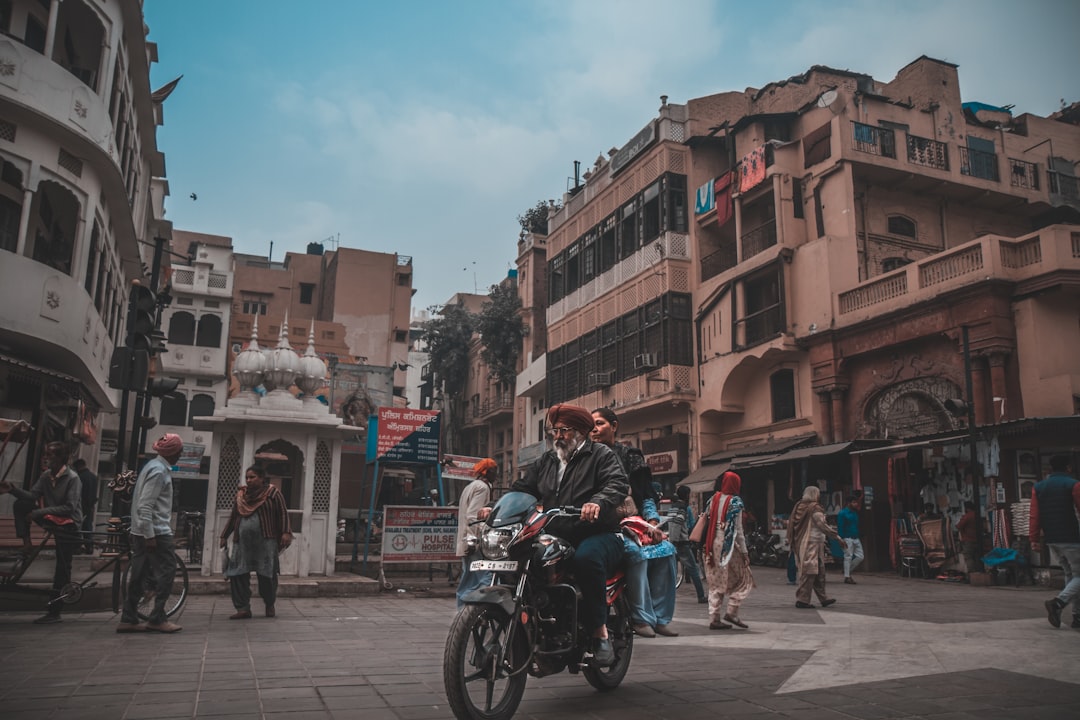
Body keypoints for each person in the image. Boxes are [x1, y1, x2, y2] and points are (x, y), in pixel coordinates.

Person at [509, 403, 628, 666]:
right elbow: (522, 489)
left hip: (599, 533)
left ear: (581, 432)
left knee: (585, 559)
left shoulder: (601, 455)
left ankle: (600, 634)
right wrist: (497, 507)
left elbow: (617, 483)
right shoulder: (547, 460)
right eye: (555, 431)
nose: (558, 436)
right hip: (556, 534)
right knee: (525, 557)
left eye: (565, 430)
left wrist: (597, 502)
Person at [591, 408, 678, 638]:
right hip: (606, 525)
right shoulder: (586, 457)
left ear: (614, 426)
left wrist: (652, 523)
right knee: (635, 553)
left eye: (599, 423)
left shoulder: (630, 456)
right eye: (591, 425)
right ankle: (641, 618)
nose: (595, 429)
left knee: (667, 551)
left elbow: (645, 496)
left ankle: (661, 617)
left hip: (635, 521)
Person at [0, 441, 82, 624]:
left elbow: (69, 507)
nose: (47, 458)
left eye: (51, 455)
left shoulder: (72, 478)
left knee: (63, 567)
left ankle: (55, 611)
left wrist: (38, 512)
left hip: (68, 524)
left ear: (62, 458)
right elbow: (31, 497)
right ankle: (26, 543)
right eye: (46, 454)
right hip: (51, 518)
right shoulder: (46, 476)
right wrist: (12, 489)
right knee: (20, 504)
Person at [117, 433, 184, 634]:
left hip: (142, 530)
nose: (181, 454)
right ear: (174, 453)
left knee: (139, 574)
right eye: (179, 450)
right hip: (155, 532)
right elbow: (146, 506)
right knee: (167, 571)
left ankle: (128, 617)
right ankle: (157, 617)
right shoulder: (158, 471)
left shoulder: (152, 467)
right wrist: (150, 536)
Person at [220, 464, 293, 619]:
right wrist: (223, 536)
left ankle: (269, 603)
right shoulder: (241, 495)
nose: (249, 480)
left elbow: (282, 513)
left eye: (252, 477)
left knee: (267, 574)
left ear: (261, 478)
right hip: (242, 542)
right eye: (247, 477)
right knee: (238, 574)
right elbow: (234, 517)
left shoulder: (272, 493)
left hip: (265, 541)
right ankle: (243, 608)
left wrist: (286, 532)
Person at [1029, 455, 1080, 629]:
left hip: (1052, 539)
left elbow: (1034, 515)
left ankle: (1077, 616)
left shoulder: (1039, 487)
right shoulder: (1073, 484)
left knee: (1071, 576)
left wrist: (1034, 538)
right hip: (1072, 538)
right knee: (1078, 576)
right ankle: (1058, 603)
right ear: (1069, 468)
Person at [700, 471, 755, 629]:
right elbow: (738, 530)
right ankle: (732, 611)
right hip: (727, 546)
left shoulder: (713, 499)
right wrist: (745, 552)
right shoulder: (736, 502)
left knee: (715, 581)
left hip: (711, 545)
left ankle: (714, 618)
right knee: (744, 578)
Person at [787, 485, 841, 609]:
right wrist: (837, 537)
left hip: (804, 542)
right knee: (810, 571)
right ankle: (802, 600)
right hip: (812, 543)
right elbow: (822, 525)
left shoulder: (798, 506)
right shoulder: (815, 508)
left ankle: (823, 598)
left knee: (818, 571)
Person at [455, 458, 495, 608]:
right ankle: (481, 612)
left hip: (465, 540)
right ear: (488, 472)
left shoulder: (470, 486)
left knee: (468, 579)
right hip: (474, 542)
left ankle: (462, 612)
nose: (496, 475)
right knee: (486, 578)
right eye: (494, 471)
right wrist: (475, 539)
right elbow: (473, 516)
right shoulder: (482, 487)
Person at [670, 485, 707, 603]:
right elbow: (677, 526)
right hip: (681, 543)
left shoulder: (673, 507)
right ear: (686, 495)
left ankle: (669, 596)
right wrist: (674, 542)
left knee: (672, 571)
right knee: (693, 570)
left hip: (674, 542)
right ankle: (701, 596)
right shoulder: (682, 508)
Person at [837, 493, 864, 584]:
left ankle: (847, 571)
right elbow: (840, 527)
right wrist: (841, 539)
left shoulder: (855, 513)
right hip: (847, 538)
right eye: (854, 502)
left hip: (855, 537)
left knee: (860, 557)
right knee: (848, 557)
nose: (856, 504)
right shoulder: (842, 513)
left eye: (856, 502)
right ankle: (847, 576)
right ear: (848, 503)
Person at [74, 458, 98, 553]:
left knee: (78, 526)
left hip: (81, 505)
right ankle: (89, 546)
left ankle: (78, 547)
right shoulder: (93, 476)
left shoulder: (79, 477)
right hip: (90, 505)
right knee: (88, 526)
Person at [956, 501, 979, 577]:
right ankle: (978, 571)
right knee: (976, 556)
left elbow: (959, 526)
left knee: (969, 557)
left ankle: (972, 574)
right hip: (977, 539)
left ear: (967, 508)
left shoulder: (967, 516)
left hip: (968, 540)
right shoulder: (977, 515)